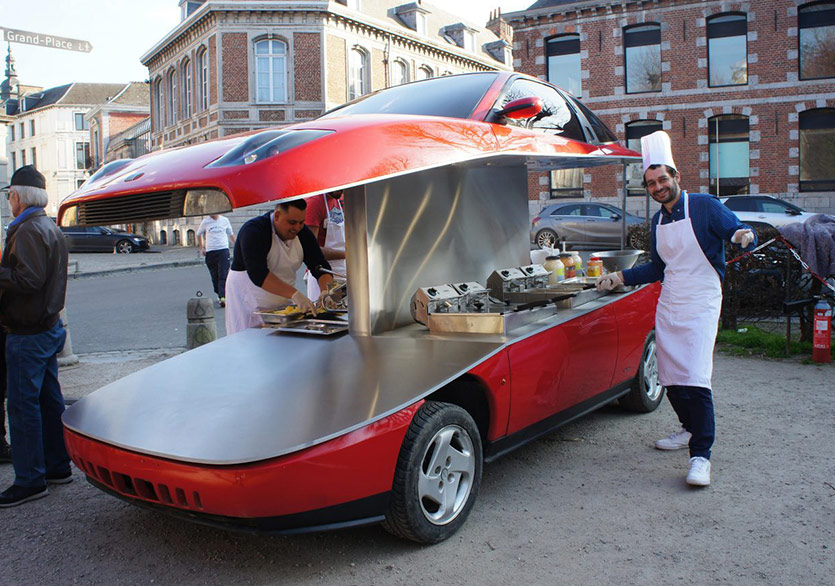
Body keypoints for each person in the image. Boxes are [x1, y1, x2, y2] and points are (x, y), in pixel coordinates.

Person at [596, 131, 756, 487]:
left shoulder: (703, 205)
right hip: (671, 301)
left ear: (676, 176)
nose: (658, 187)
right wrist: (619, 276)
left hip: (701, 300)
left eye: (662, 179)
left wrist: (744, 236)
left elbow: (736, 230)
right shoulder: (658, 223)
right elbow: (657, 268)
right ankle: (687, 428)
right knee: (670, 375)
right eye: (651, 183)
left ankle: (701, 455)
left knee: (696, 377)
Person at [0, 165, 72, 507]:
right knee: (47, 399)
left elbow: (28, 280)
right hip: (45, 327)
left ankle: (30, 479)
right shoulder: (46, 225)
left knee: (23, 405)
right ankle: (57, 466)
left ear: (18, 196)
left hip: (29, 331)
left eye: (10, 195)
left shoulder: (27, 229)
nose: (9, 201)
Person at [225, 199, 334, 335]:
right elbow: (259, 275)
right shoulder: (253, 230)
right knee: (249, 344)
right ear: (277, 216)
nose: (297, 228)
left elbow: (320, 266)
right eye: (292, 222)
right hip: (248, 299)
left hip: (282, 302)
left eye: (301, 222)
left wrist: (326, 292)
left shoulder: (302, 233)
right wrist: (295, 294)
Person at [304, 190, 346, 299]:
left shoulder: (341, 199)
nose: (341, 190)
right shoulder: (314, 203)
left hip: (345, 273)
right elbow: (310, 250)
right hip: (322, 274)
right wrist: (348, 254)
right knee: (325, 314)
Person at [196, 214, 236, 307]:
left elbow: (231, 234)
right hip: (211, 251)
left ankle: (223, 297)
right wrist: (202, 248)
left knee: (223, 273)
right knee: (215, 276)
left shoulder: (225, 220)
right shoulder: (205, 222)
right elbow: (198, 234)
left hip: (223, 250)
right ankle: (219, 293)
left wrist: (238, 245)